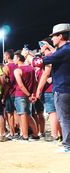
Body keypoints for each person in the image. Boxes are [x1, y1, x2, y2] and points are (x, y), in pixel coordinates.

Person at [36, 23, 70, 152]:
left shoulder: (63, 51)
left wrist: (38, 54)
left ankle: (67, 145)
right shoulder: (63, 50)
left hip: (63, 89)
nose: (52, 39)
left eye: (54, 36)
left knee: (65, 119)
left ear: (60, 36)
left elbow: (37, 63)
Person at [13, 51, 39, 141]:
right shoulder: (32, 68)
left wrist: (28, 95)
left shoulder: (17, 70)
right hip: (30, 95)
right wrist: (32, 94)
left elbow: (20, 85)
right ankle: (35, 133)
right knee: (28, 114)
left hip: (21, 94)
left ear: (19, 59)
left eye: (14, 58)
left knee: (23, 115)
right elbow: (35, 82)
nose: (13, 60)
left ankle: (25, 136)